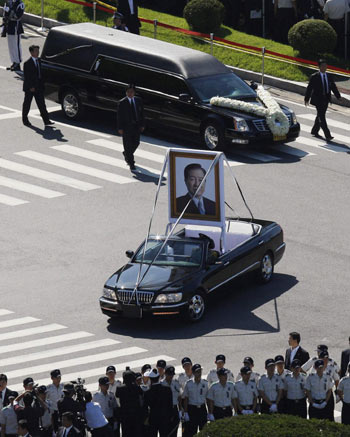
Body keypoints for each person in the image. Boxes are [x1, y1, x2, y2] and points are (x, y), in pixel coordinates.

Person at [305, 59, 341, 141]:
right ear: (319, 67)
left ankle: (314, 131)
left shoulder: (329, 76)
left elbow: (333, 87)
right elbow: (309, 88)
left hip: (326, 99)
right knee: (322, 116)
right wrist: (307, 98)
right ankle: (327, 135)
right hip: (318, 99)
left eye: (326, 66)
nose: (325, 67)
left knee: (320, 115)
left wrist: (338, 96)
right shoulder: (314, 76)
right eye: (323, 66)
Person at [22, 45, 54, 128]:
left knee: (42, 104)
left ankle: (46, 120)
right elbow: (27, 77)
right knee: (27, 104)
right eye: (36, 51)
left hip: (39, 87)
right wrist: (31, 87)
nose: (38, 52)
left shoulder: (40, 61)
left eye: (38, 51)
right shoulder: (27, 63)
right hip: (30, 88)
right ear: (31, 52)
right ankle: (25, 120)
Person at [117, 84, 145, 171]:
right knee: (128, 145)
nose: (130, 93)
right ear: (126, 92)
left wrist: (142, 125)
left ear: (134, 93)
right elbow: (119, 116)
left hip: (136, 126)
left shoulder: (138, 100)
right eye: (128, 92)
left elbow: (142, 114)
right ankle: (131, 163)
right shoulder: (122, 102)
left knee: (136, 143)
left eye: (132, 92)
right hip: (126, 127)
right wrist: (120, 128)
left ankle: (127, 154)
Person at [144, 368, 173, 437]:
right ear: (159, 377)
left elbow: (145, 407)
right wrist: (170, 417)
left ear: (150, 379)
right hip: (165, 417)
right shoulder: (167, 389)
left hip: (153, 418)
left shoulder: (148, 393)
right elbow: (170, 405)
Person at [115, 370, 144, 437]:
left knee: (126, 432)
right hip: (135, 414)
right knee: (136, 432)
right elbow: (141, 392)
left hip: (125, 414)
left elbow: (117, 395)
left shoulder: (120, 388)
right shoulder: (136, 387)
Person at [182, 364, 208, 437]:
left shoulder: (205, 383)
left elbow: (208, 398)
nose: (199, 373)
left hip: (202, 408)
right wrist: (186, 412)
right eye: (197, 372)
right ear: (193, 373)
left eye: (200, 371)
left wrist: (210, 412)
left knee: (204, 430)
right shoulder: (189, 384)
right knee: (192, 431)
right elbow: (186, 398)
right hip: (192, 409)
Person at [2, 0, 25, 71]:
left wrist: (9, 11)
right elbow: (5, 15)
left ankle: (17, 63)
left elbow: (18, 16)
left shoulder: (20, 4)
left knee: (16, 45)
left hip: (16, 27)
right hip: (9, 26)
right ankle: (14, 62)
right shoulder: (9, 2)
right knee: (11, 45)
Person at [161, 366, 181, 437]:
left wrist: (180, 410)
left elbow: (179, 397)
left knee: (174, 431)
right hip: (165, 410)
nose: (171, 376)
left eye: (172, 374)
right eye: (169, 374)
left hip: (174, 408)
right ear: (165, 374)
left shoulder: (176, 383)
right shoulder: (161, 384)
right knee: (165, 431)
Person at [46, 369, 64, 433]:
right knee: (56, 430)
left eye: (59, 377)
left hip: (62, 411)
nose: (58, 379)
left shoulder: (63, 387)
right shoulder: (48, 389)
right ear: (52, 378)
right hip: (54, 413)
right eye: (56, 378)